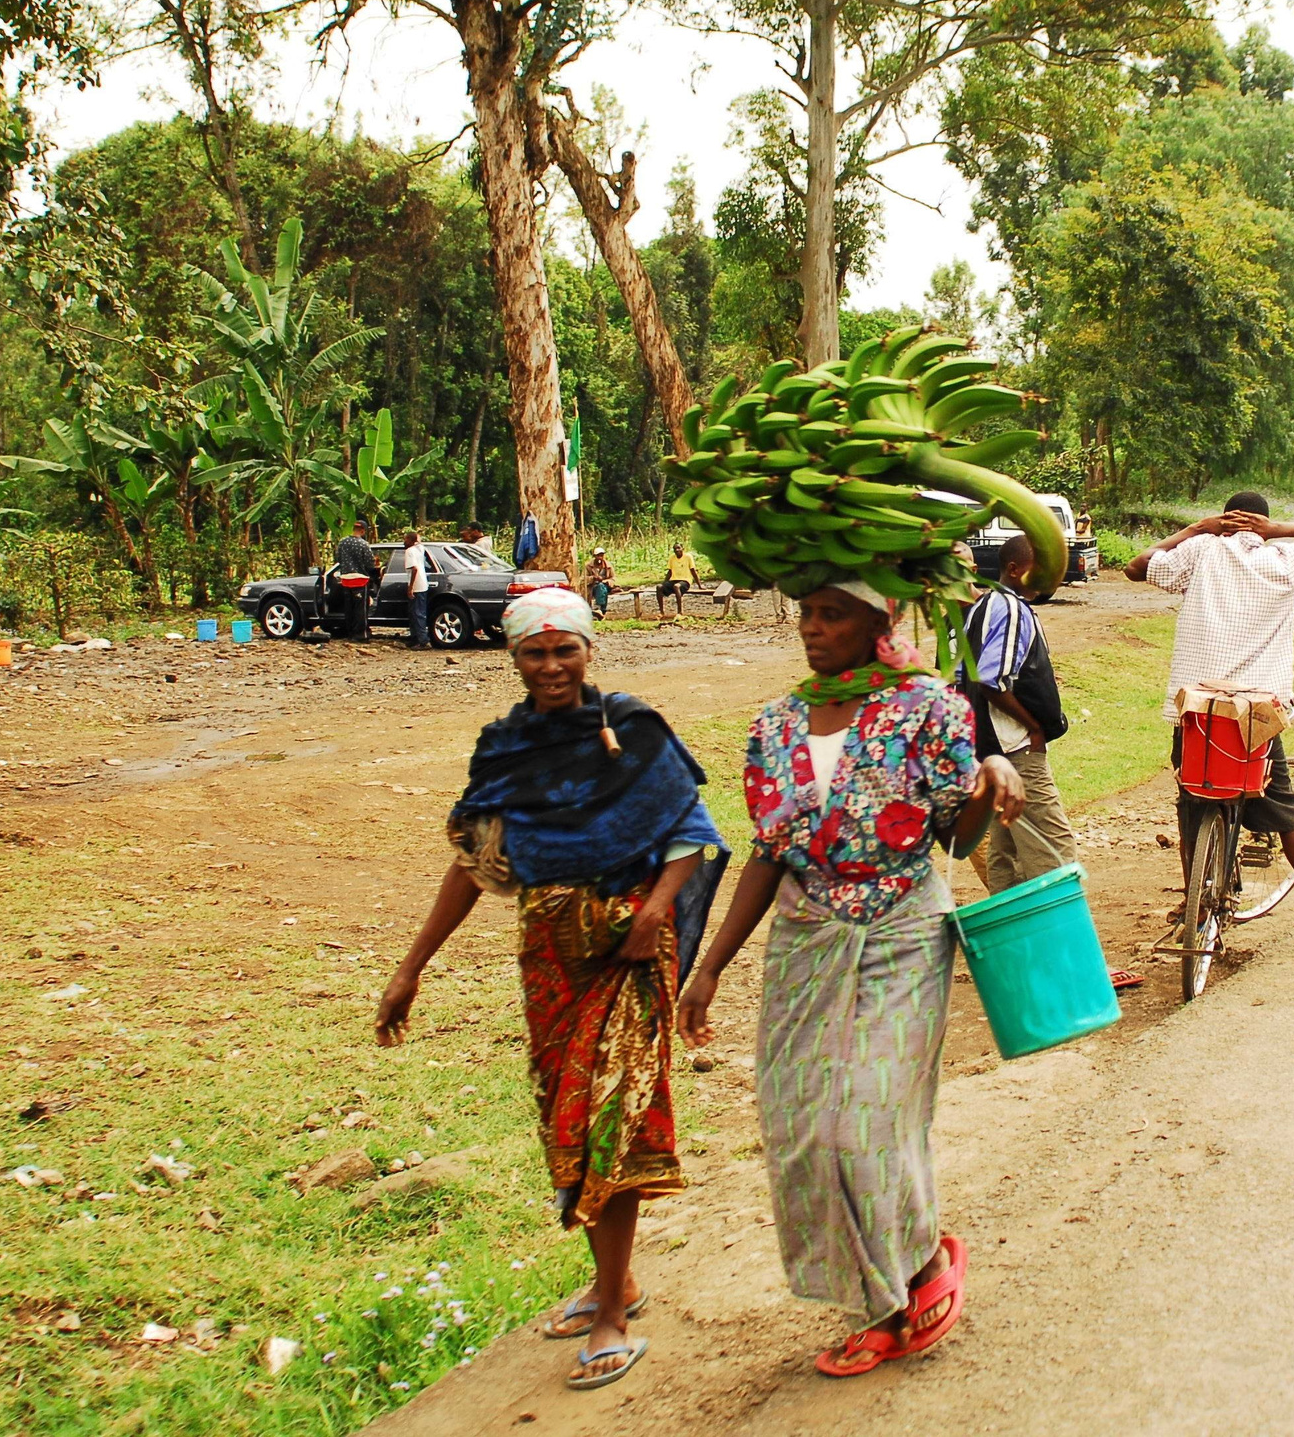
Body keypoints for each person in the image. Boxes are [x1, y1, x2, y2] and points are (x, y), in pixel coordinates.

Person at [375, 588, 726, 1392]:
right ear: (515, 659)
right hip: (548, 958)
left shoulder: (632, 731)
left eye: (566, 649)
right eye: (536, 652)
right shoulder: (504, 750)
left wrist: (657, 913)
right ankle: (617, 1283)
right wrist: (411, 968)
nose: (552, 666)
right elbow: (474, 865)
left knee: (614, 1108)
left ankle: (610, 1315)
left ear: (589, 651)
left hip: (631, 951)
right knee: (565, 1111)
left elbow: (691, 836)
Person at [676, 582, 1024, 1379]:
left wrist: (986, 781)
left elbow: (955, 835)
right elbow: (769, 854)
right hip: (806, 938)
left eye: (832, 614)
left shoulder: (928, 708)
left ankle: (916, 1274)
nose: (812, 628)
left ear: (880, 621)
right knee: (800, 1128)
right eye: (807, 613)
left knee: (866, 1117)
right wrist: (711, 968)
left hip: (903, 928)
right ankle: (880, 1292)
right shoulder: (776, 724)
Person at [1127, 492, 1294, 947]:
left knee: (1196, 800)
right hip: (1256, 712)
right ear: (1262, 523)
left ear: (1225, 521)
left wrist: (1196, 528)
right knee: (1286, 811)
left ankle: (1196, 913)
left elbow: (1137, 567)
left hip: (1198, 709)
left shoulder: (1200, 551)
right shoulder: (1288, 560)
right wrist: (1275, 532)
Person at [962, 535, 1077, 894]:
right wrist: (1033, 728)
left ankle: (1016, 938)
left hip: (991, 748)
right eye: (1040, 571)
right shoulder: (1009, 609)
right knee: (1052, 847)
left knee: (1005, 848)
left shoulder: (983, 606)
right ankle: (1056, 936)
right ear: (1014, 569)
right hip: (1015, 746)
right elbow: (990, 679)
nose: (1051, 580)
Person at [331, 519, 380, 641]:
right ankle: (360, 634)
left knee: (349, 608)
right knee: (360, 609)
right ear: (363, 531)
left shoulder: (342, 542)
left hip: (346, 579)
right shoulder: (363, 544)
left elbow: (338, 559)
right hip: (360, 580)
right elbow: (370, 564)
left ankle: (350, 633)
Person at [402, 530, 434, 647]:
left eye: (406, 539)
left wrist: (410, 587)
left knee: (417, 613)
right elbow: (419, 542)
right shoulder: (420, 549)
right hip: (422, 584)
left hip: (416, 585)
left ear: (411, 540)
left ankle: (422, 640)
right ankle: (415, 638)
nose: (404, 541)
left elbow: (414, 569)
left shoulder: (409, 551)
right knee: (415, 613)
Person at [660, 541, 698, 615]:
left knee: (676, 586)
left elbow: (693, 571)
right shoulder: (672, 558)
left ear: (682, 548)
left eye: (678, 548)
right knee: (659, 587)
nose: (677, 550)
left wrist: (699, 585)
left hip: (685, 581)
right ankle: (661, 612)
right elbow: (670, 572)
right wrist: (664, 583)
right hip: (674, 580)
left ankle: (679, 612)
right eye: (675, 549)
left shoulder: (688, 557)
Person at [584, 545, 615, 619]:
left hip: (605, 586)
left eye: (602, 555)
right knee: (599, 587)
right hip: (593, 586)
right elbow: (584, 579)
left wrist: (607, 581)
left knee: (601, 587)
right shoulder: (588, 566)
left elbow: (613, 578)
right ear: (595, 556)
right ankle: (601, 609)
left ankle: (599, 608)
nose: (600, 557)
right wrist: (593, 578)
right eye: (598, 555)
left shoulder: (608, 566)